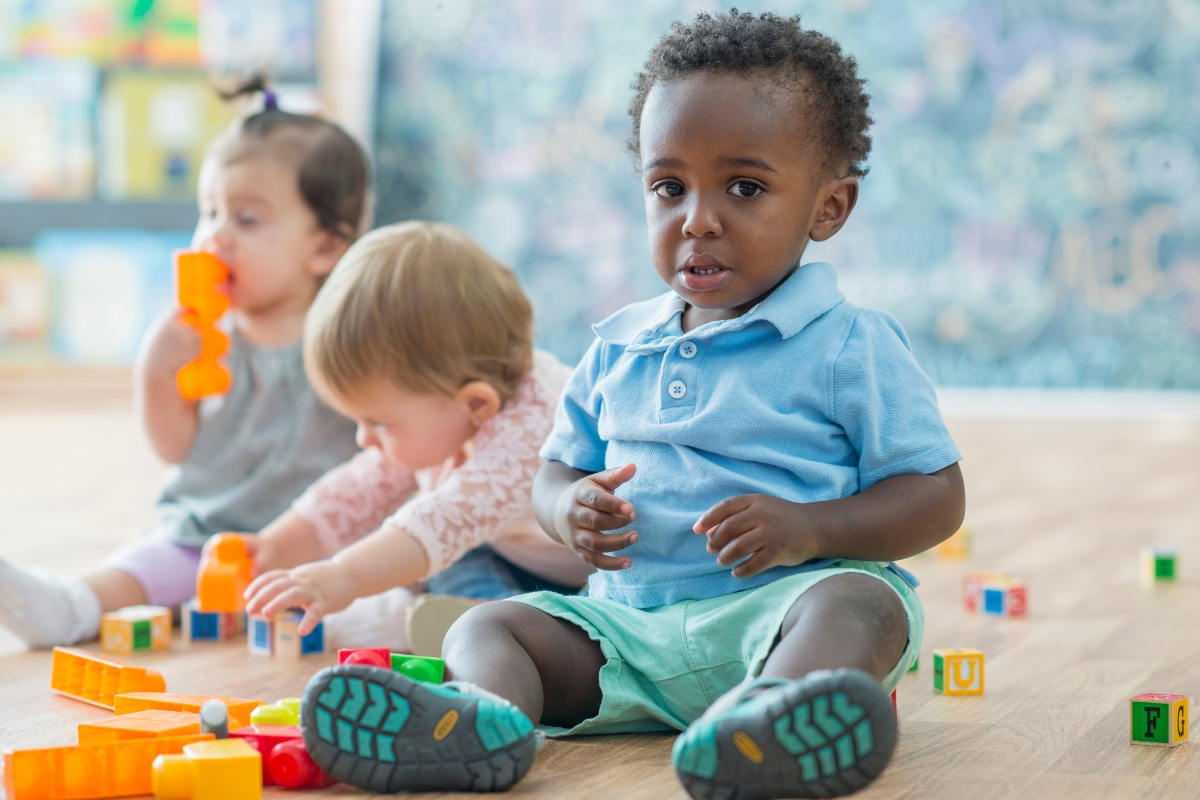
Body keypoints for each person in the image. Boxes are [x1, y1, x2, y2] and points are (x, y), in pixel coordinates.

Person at [298, 11, 966, 800]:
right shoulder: (618, 347)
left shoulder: (849, 345)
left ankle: (770, 720)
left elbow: (938, 496)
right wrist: (566, 508)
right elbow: (553, 470)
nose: (699, 219)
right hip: (626, 635)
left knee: (862, 602)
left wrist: (815, 529)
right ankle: (483, 722)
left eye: (744, 187)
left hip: (778, 614)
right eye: (668, 187)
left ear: (829, 207)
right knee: (489, 625)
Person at [0, 78, 368, 648]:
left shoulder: (350, 335)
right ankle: (69, 605)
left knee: (373, 573)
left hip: (319, 543)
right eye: (209, 211)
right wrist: (156, 370)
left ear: (324, 246)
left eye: (246, 220)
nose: (215, 237)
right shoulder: (205, 333)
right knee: (148, 564)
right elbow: (176, 447)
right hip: (207, 534)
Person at [242, 221, 590, 652]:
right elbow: (360, 490)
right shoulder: (451, 403)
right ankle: (473, 617)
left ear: (475, 404)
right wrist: (274, 546)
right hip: (515, 561)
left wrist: (345, 576)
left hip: (591, 581)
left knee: (428, 537)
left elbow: (445, 518)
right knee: (444, 554)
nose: (363, 439)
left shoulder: (535, 431)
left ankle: (508, 631)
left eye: (380, 423)